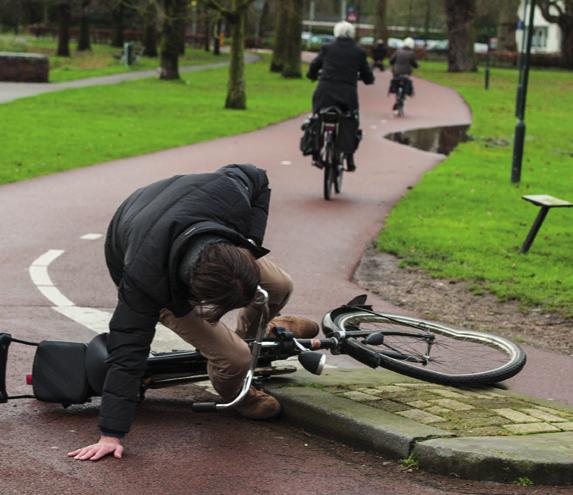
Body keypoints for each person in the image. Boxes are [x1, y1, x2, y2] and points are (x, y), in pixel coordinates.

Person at [67, 164, 319, 461]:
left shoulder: (229, 195)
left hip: (198, 228)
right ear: (198, 296)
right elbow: (127, 353)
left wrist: (251, 244)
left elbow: (256, 175)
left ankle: (255, 339)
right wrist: (111, 433)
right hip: (143, 253)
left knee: (279, 286)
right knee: (233, 358)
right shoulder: (144, 282)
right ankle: (235, 389)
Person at [306, 20, 374, 172]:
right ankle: (349, 156)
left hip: (325, 91)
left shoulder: (327, 48)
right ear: (352, 34)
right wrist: (367, 80)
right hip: (347, 94)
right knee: (351, 120)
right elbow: (367, 75)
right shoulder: (359, 52)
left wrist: (311, 75)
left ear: (336, 33)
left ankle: (316, 152)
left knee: (317, 117)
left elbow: (315, 65)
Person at [389, 37, 419, 112]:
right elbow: (414, 64)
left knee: (395, 82)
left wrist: (393, 64)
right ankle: (404, 96)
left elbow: (391, 61)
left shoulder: (398, 51)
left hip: (396, 72)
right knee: (407, 84)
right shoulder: (411, 53)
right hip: (406, 73)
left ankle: (397, 96)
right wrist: (417, 66)